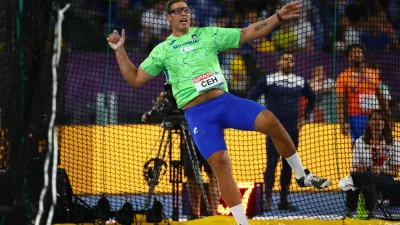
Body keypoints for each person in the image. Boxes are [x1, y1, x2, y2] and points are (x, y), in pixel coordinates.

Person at [107, 1, 332, 224]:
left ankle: (302, 174)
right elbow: (135, 78)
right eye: (177, 11)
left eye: (185, 9)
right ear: (169, 17)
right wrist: (119, 51)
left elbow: (246, 33)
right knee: (220, 163)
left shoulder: (208, 34)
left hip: (225, 102)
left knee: (271, 120)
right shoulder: (162, 50)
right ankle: (242, 223)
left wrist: (279, 17)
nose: (183, 13)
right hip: (198, 114)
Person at [248, 52, 316, 211]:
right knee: (271, 163)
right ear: (279, 62)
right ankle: (267, 199)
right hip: (274, 129)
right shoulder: (269, 79)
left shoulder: (300, 81)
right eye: (285, 59)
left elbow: (312, 98)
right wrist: (260, 117)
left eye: (291, 60)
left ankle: (283, 200)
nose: (288, 62)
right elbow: (251, 96)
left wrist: (305, 116)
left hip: (292, 129)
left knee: (289, 165)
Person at [141, 92, 220, 219]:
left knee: (214, 174)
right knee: (191, 175)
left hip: (209, 131)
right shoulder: (175, 81)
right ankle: (195, 214)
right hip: (188, 133)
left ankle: (215, 214)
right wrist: (152, 112)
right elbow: (163, 95)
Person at [339, 109, 400, 219]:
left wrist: (379, 170)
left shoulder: (393, 143)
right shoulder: (360, 142)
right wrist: (363, 167)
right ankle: (362, 213)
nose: (377, 121)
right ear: (369, 123)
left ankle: (359, 213)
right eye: (374, 119)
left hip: (385, 179)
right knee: (355, 177)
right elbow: (354, 166)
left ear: (384, 123)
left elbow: (395, 172)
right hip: (364, 176)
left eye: (380, 119)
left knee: (360, 178)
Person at [336, 44, 389, 144]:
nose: (357, 55)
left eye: (359, 52)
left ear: (363, 56)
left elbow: (380, 96)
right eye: (353, 53)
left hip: (375, 116)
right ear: (348, 57)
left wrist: (387, 115)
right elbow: (340, 103)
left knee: (379, 143)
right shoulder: (343, 77)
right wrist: (342, 123)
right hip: (357, 117)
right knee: (359, 145)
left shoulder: (372, 73)